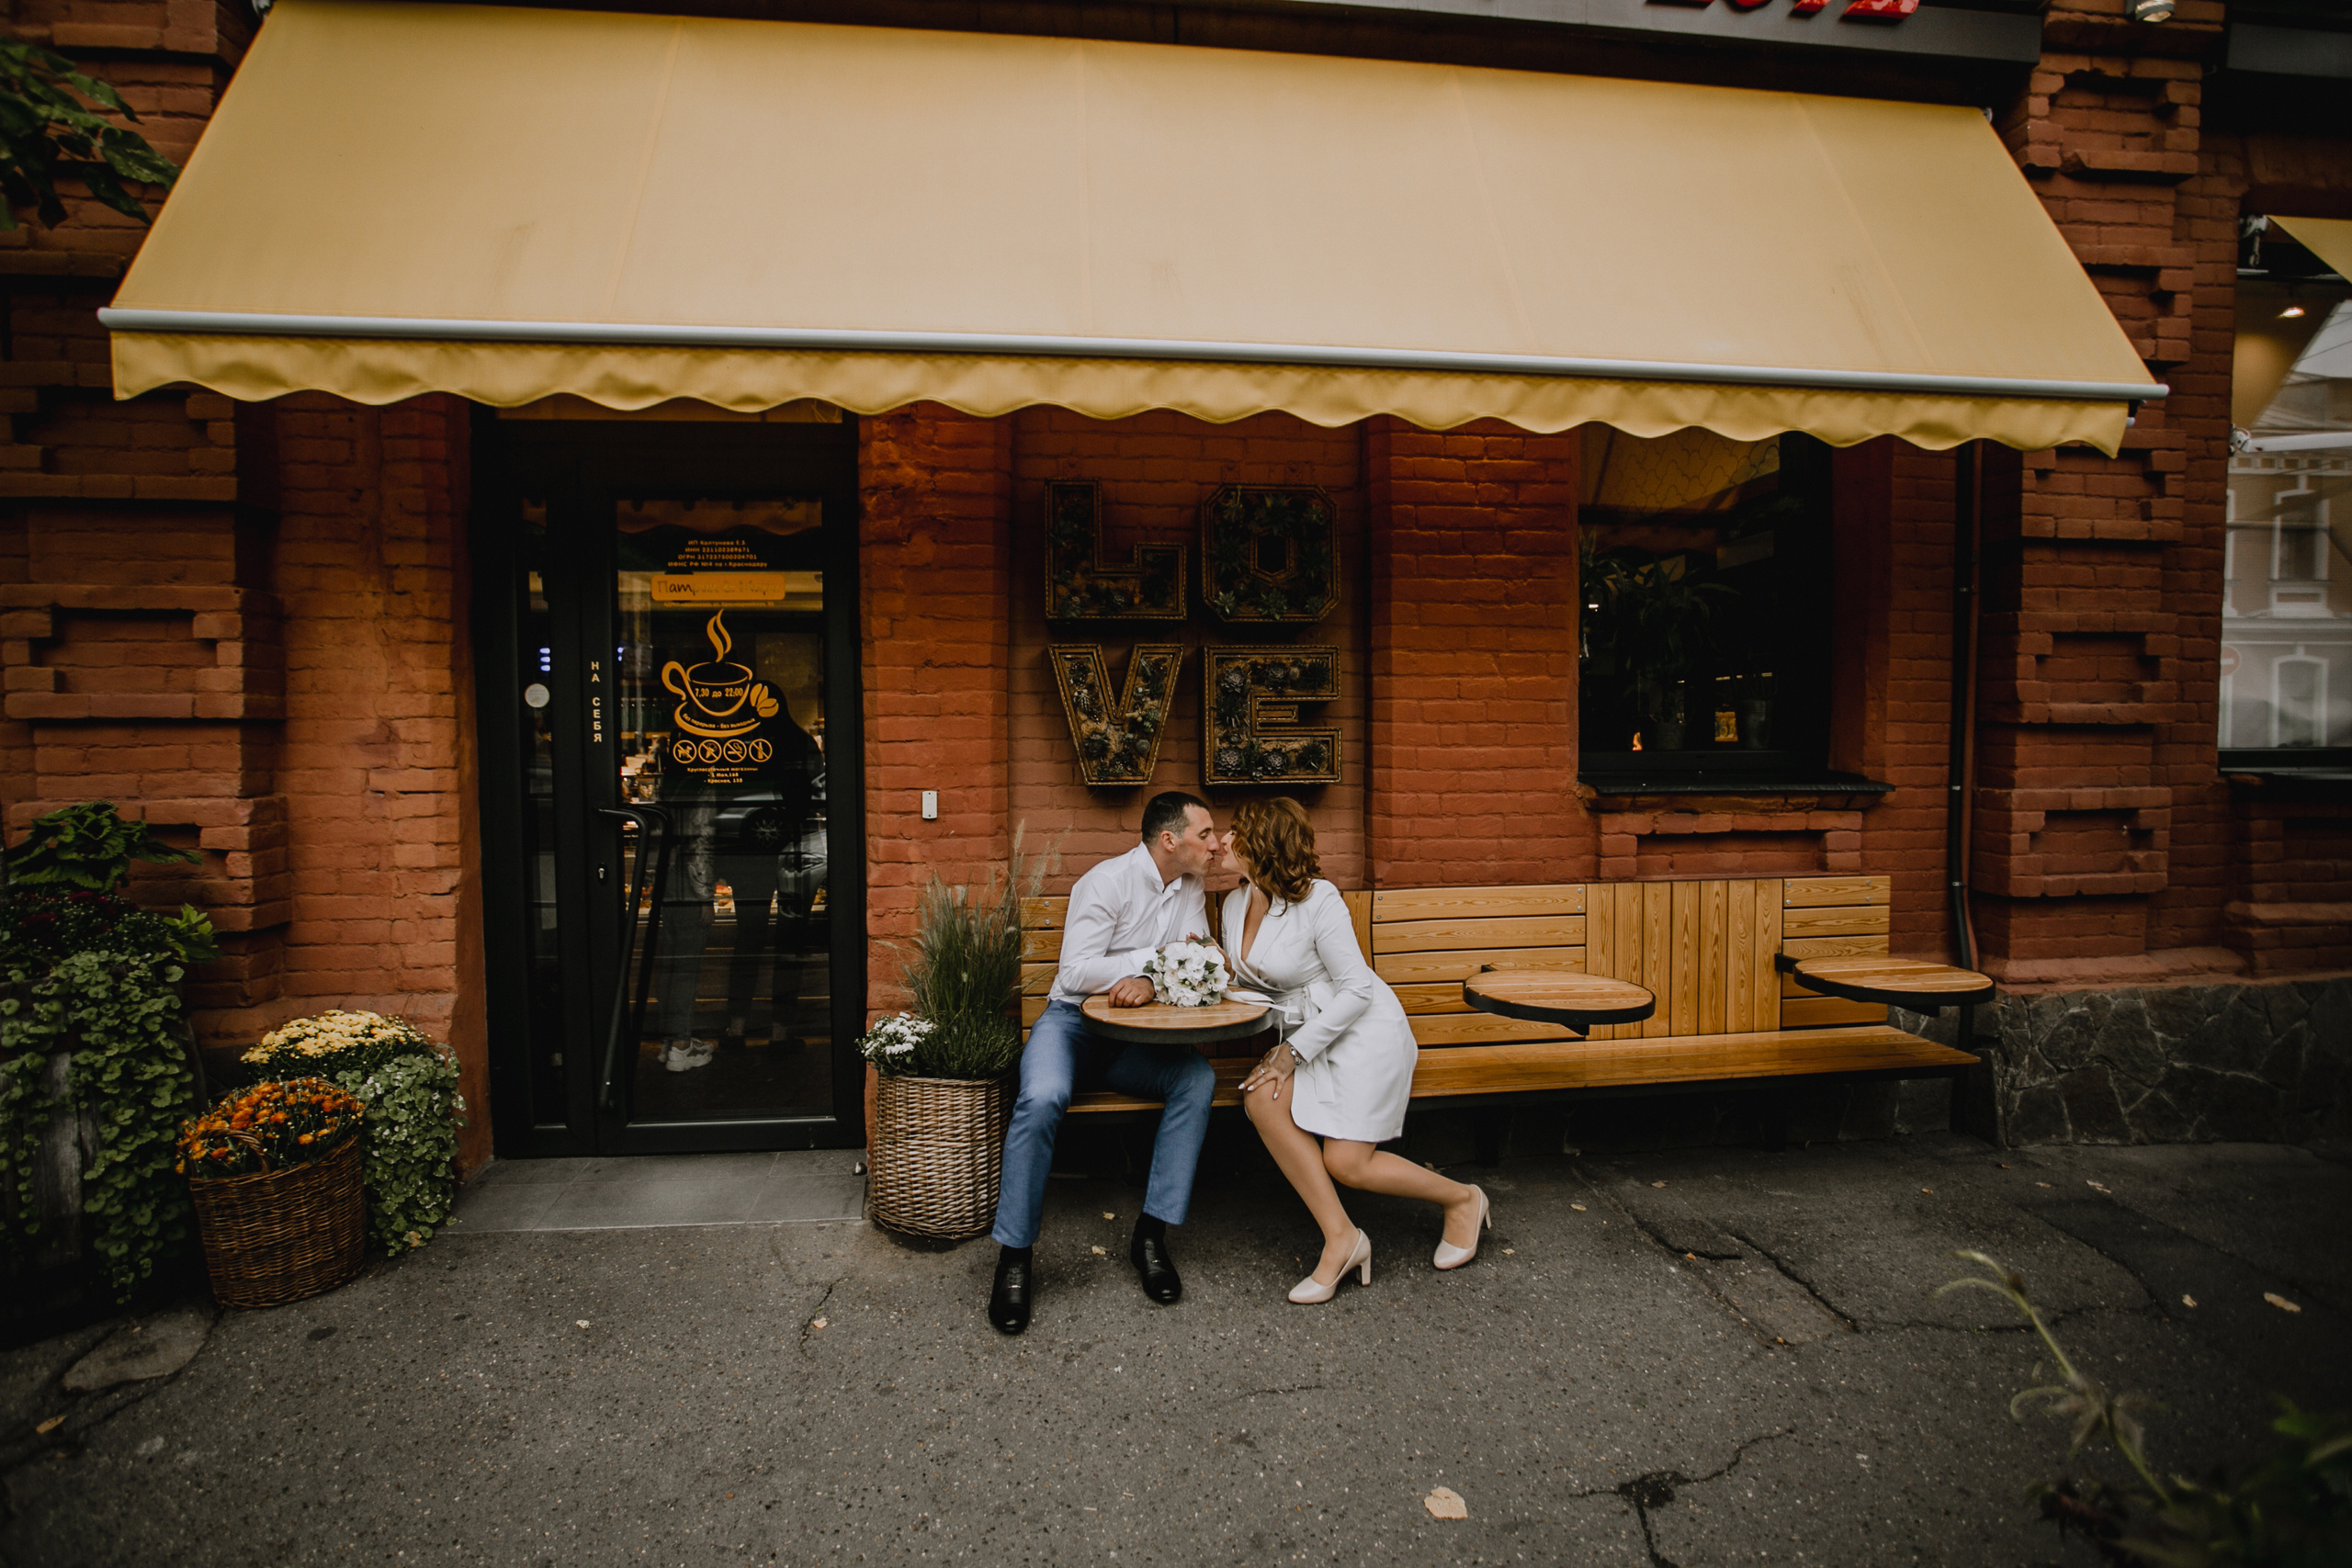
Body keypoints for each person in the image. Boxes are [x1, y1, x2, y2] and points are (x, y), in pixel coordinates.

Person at [1226, 797, 1488, 1303]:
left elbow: (1356, 990)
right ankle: (1342, 1238)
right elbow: (1258, 984)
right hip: (1304, 1039)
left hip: (1361, 1034)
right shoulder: (1236, 902)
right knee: (1260, 1097)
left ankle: (1463, 1199)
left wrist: (1291, 1053)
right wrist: (1215, 967)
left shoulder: (1319, 900)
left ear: (1261, 845)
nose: (1222, 842)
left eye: (1234, 833)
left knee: (1348, 1163)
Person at [987, 791, 1226, 1336]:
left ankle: (1151, 1235)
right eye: (1205, 834)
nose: (1215, 845)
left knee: (1197, 1078)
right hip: (1073, 1028)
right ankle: (1015, 1257)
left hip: (1136, 1042)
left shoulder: (1190, 886)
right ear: (1171, 840)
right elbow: (1074, 975)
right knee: (1043, 1097)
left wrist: (1148, 979)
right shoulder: (1106, 882)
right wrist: (1158, 961)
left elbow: (1203, 952)